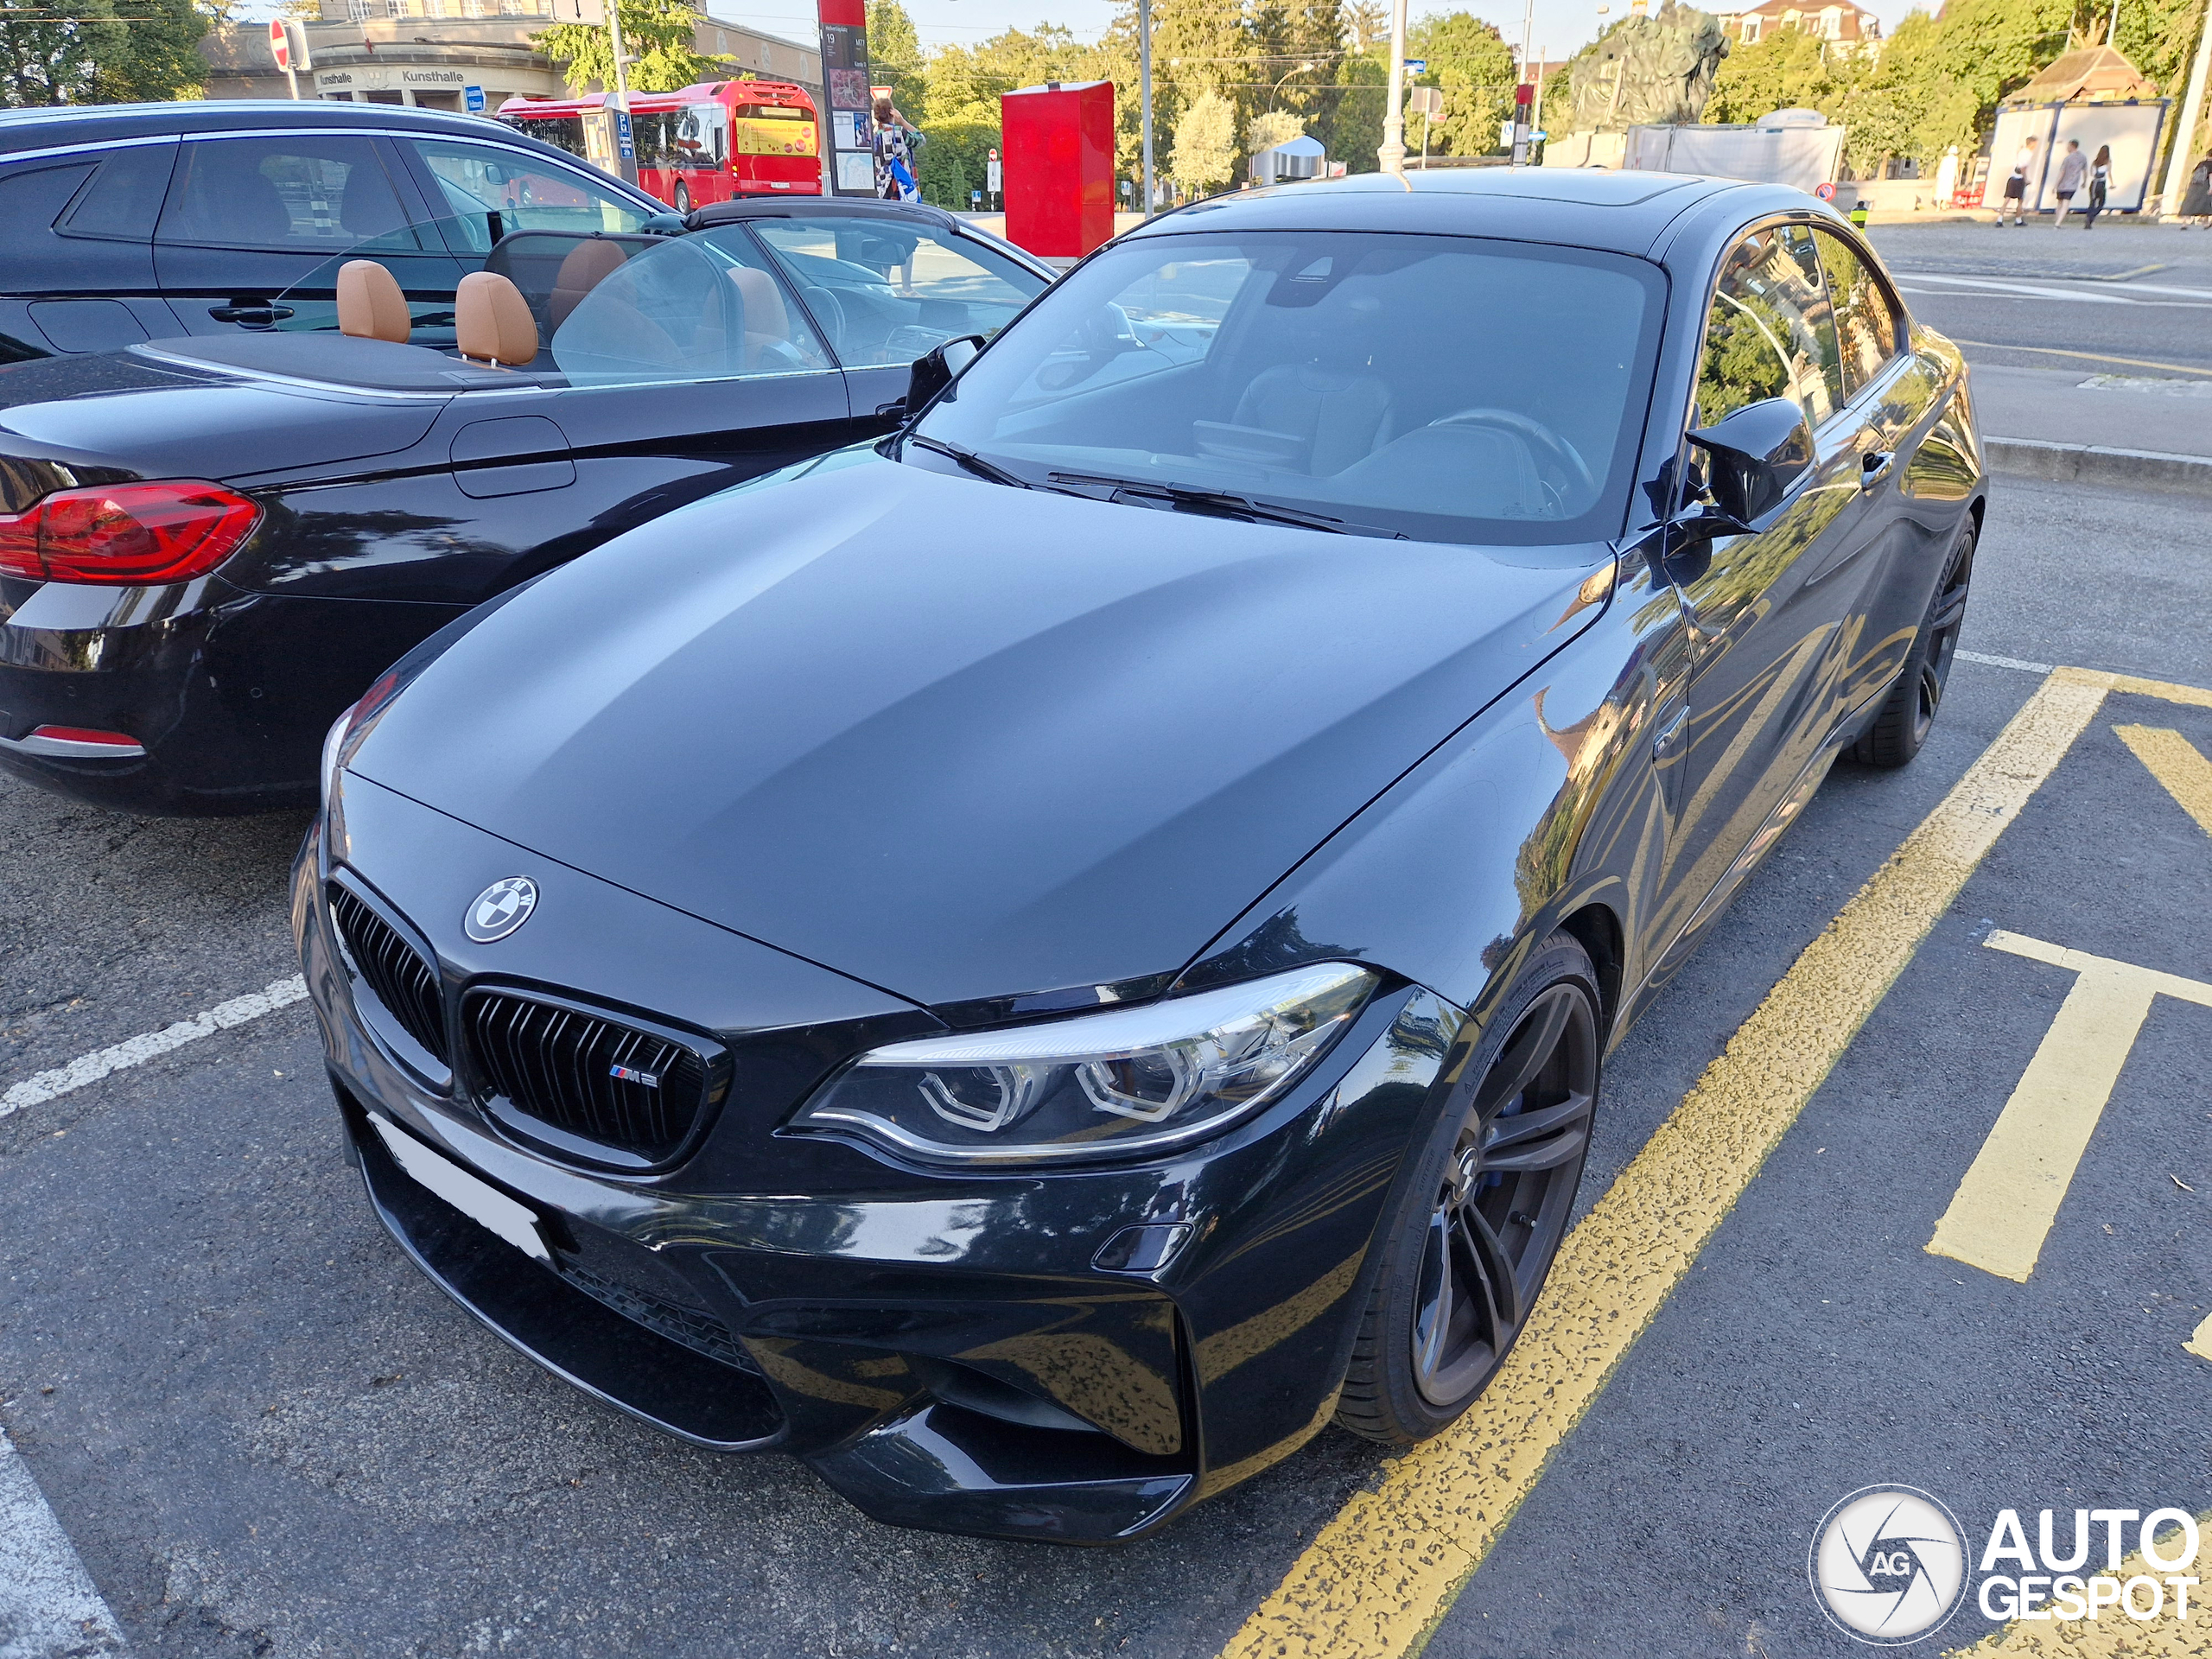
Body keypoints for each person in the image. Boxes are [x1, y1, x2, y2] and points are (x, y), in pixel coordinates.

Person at [871, 94, 922, 204]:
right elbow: (920, 139)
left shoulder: (872, 137)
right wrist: (902, 121)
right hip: (903, 187)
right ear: (892, 113)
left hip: (882, 189)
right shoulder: (900, 132)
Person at [1999, 133, 2039, 226]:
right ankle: (2018, 220)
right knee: (2020, 200)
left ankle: (2000, 219)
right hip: (2020, 178)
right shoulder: (2028, 154)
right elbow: (2023, 168)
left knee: (2007, 199)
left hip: (2012, 177)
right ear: (2032, 143)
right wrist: (2026, 179)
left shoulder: (2021, 151)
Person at [2052, 139, 2086, 227]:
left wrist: (2056, 184)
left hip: (2063, 184)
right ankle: (2058, 222)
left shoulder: (2067, 158)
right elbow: (2085, 170)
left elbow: (2062, 172)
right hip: (2072, 184)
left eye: (2068, 146)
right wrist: (2084, 181)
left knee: (2060, 203)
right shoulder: (2082, 157)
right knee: (2065, 204)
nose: (2067, 148)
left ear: (2071, 146)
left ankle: (2057, 220)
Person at [2082, 144, 2110, 228]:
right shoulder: (2108, 162)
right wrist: (2112, 184)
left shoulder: (2095, 162)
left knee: (2092, 202)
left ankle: (2088, 217)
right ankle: (2092, 216)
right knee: (2101, 203)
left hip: (2094, 183)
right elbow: (2109, 173)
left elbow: (2092, 173)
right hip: (2101, 183)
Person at [2181, 153, 2212, 227]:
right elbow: (2211, 175)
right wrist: (2211, 187)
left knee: (2190, 204)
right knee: (2205, 204)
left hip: (2194, 185)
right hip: (2204, 185)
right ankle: (2205, 223)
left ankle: (2184, 223)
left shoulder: (2201, 163)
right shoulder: (2211, 164)